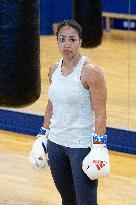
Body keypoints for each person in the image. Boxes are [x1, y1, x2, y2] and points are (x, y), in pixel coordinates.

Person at [29, 20, 110, 205]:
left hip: (80, 146)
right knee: (67, 199)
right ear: (57, 41)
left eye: (72, 39)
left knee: (86, 202)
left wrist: (99, 145)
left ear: (80, 42)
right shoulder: (53, 69)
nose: (67, 44)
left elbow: (101, 113)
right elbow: (52, 104)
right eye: (62, 39)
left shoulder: (91, 71)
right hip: (56, 144)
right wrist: (43, 135)